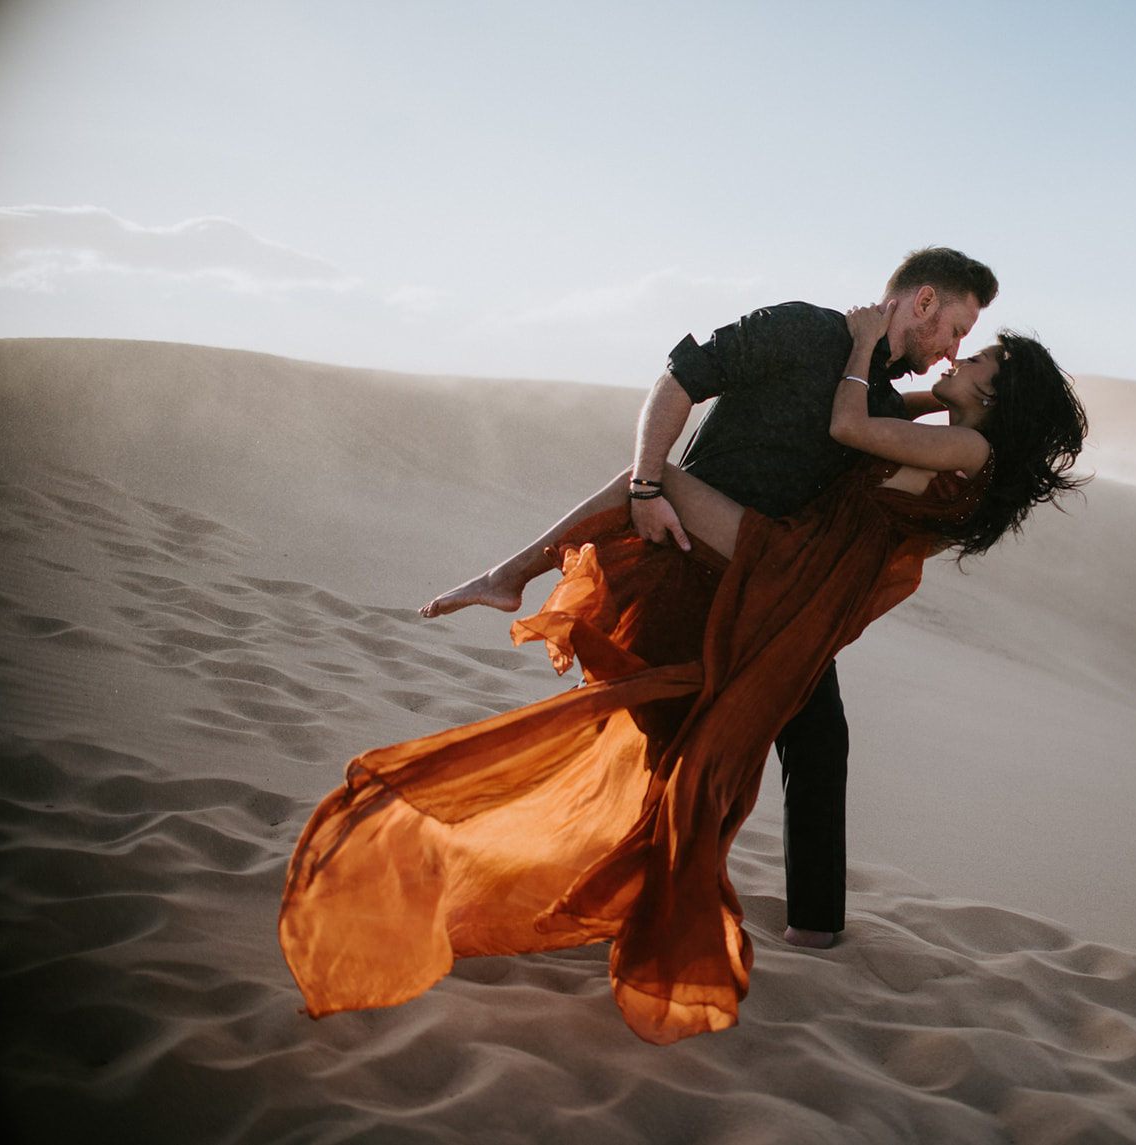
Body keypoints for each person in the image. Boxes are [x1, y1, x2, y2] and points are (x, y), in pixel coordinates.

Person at [278, 303, 1089, 1045]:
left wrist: (867, 344)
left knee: (652, 479)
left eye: (974, 361)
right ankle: (795, 916)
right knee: (753, 731)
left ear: (995, 392)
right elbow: (889, 414)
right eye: (959, 343)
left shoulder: (968, 444)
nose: (956, 360)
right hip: (804, 571)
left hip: (792, 569)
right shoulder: (961, 439)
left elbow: (849, 421)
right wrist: (889, 365)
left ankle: (508, 574)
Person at [416, 247, 1000, 952]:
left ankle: (814, 928)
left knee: (816, 741)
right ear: (926, 301)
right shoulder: (802, 330)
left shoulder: (872, 394)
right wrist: (647, 489)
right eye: (956, 330)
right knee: (666, 749)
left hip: (771, 589)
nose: (952, 350)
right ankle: (555, 889)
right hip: (690, 562)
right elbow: (681, 378)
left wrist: (946, 391)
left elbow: (894, 431)